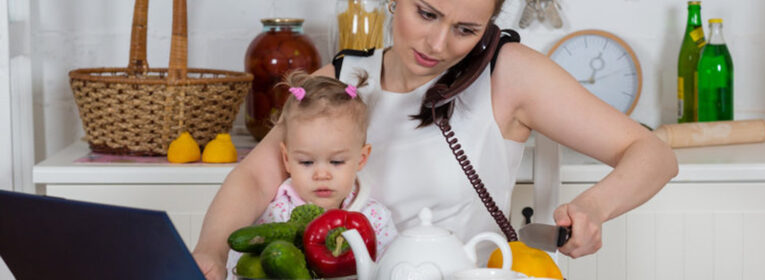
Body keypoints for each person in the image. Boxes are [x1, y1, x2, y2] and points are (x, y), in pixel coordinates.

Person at [193, 0, 678, 278]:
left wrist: (593, 207)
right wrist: (211, 251)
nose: (438, 45)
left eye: (466, 30)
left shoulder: (508, 74)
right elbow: (257, 175)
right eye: (426, 13)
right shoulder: (344, 79)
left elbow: (652, 154)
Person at [223, 71, 397, 279]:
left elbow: (393, 269)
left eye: (336, 161)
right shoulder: (276, 214)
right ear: (286, 159)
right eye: (306, 162)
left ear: (361, 158)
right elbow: (240, 266)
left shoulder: (376, 218)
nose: (321, 174)